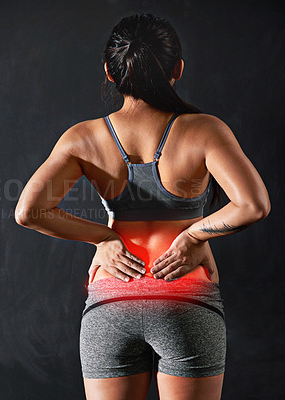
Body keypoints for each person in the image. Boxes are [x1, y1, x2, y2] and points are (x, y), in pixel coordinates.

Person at [15, 12, 270, 400]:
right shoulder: (204, 130)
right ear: (178, 69)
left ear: (110, 72)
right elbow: (253, 205)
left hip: (112, 301)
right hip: (185, 299)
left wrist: (103, 238)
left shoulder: (83, 138)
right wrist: (193, 237)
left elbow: (28, 212)